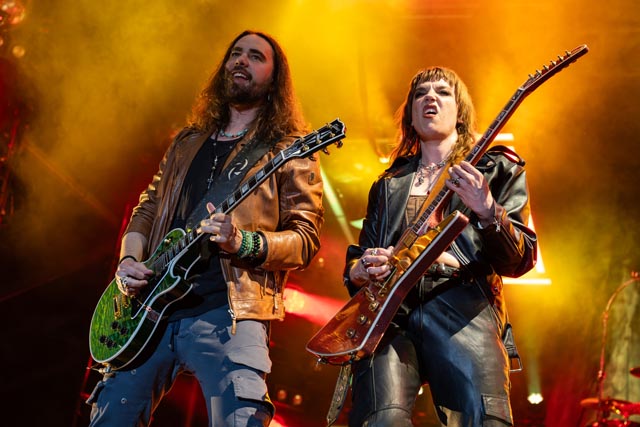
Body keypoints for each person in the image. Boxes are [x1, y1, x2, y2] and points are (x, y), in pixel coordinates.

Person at [87, 30, 324, 427]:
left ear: (275, 80)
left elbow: (304, 240)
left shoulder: (288, 149)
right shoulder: (187, 141)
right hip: (150, 311)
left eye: (256, 56)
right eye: (236, 53)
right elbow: (148, 208)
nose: (242, 60)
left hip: (229, 312)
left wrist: (241, 241)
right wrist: (128, 260)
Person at [342, 67, 537, 426]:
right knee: (381, 419)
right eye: (421, 93)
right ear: (410, 115)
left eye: (443, 92)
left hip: (462, 305)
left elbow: (520, 259)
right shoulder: (388, 182)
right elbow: (360, 257)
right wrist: (362, 267)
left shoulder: (494, 168)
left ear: (460, 112)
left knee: (483, 419)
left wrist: (487, 209)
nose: (430, 97)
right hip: (392, 314)